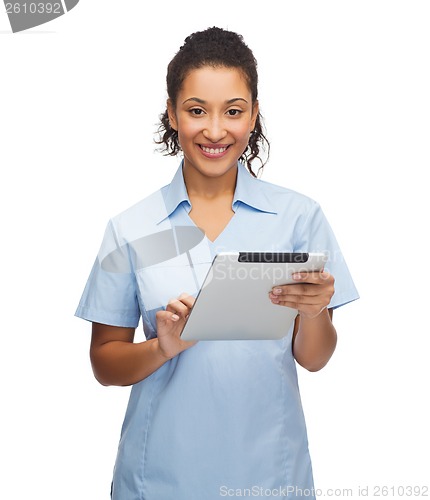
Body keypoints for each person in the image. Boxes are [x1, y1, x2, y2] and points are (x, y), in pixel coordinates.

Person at [75, 26, 359, 500]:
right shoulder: (132, 228)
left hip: (269, 475)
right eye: (196, 111)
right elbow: (105, 362)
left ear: (253, 116)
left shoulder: (297, 218)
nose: (214, 130)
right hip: (160, 478)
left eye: (232, 111)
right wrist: (160, 348)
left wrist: (312, 314)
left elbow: (315, 358)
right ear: (171, 114)